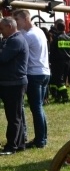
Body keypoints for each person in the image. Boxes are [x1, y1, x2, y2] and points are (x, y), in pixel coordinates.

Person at [12, 10, 50, 149]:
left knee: (36, 107)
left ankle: (40, 140)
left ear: (26, 19)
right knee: (39, 107)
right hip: (44, 72)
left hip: (34, 74)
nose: (15, 22)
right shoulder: (39, 31)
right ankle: (42, 138)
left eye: (17, 19)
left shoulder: (28, 36)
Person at [0, 17, 29, 155]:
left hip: (14, 84)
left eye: (2, 28)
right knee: (15, 115)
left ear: (10, 26)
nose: (1, 31)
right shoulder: (11, 40)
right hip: (10, 83)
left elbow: (3, 58)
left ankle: (12, 146)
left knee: (14, 116)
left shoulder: (16, 40)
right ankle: (20, 143)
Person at [49, 19, 70, 103]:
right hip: (68, 61)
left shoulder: (56, 39)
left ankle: (65, 96)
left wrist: (50, 61)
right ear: (64, 28)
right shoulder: (69, 38)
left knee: (59, 79)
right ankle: (58, 97)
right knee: (64, 78)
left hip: (58, 62)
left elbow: (52, 51)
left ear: (57, 28)